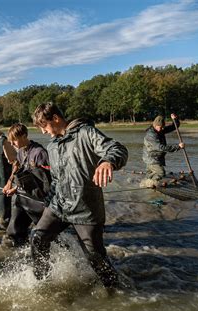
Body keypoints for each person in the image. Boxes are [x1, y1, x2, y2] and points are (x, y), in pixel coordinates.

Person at [30, 102, 128, 289]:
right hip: (58, 206)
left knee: (95, 258)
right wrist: (48, 203)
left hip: (86, 210)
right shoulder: (51, 147)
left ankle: (115, 291)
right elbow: (56, 181)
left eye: (44, 126)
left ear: (56, 119)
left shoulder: (86, 133)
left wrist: (108, 162)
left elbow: (117, 149)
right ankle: (43, 284)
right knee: (37, 238)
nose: (43, 132)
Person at [2, 123, 51, 246]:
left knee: (45, 234)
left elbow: (47, 182)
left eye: (14, 141)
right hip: (23, 198)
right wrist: (10, 183)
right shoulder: (20, 151)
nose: (12, 144)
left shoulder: (40, 153)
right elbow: (16, 166)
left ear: (24, 136)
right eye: (10, 141)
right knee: (13, 231)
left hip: (39, 200)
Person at [142, 113, 184, 183]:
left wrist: (175, 119)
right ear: (155, 125)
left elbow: (174, 127)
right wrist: (178, 147)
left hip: (156, 157)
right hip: (152, 158)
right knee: (161, 173)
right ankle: (149, 184)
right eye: (160, 127)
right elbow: (161, 148)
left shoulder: (160, 130)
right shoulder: (151, 135)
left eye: (162, 127)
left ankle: (149, 183)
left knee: (150, 174)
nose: (161, 129)